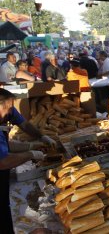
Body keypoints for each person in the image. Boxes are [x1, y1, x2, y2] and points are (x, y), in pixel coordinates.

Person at [0, 89, 56, 233]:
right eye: (8, 108)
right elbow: (3, 162)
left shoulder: (8, 110)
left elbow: (24, 125)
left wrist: (41, 137)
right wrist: (30, 153)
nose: (10, 112)